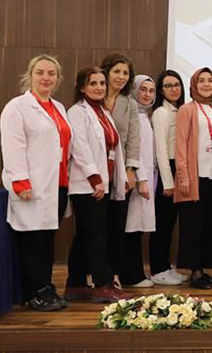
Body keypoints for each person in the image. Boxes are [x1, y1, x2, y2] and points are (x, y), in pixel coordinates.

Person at [0, 55, 71, 310]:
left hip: (57, 185)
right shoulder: (17, 107)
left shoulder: (59, 107)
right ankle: (33, 293)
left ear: (58, 78)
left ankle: (45, 287)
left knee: (47, 239)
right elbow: (13, 146)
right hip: (32, 186)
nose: (46, 78)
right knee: (32, 240)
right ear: (30, 75)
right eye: (40, 72)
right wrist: (20, 181)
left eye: (51, 73)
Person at [64, 68, 127, 303]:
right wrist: (95, 179)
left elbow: (113, 147)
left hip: (104, 183)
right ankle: (102, 285)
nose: (99, 87)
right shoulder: (77, 112)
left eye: (102, 83)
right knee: (96, 237)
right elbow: (80, 147)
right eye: (93, 84)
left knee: (86, 236)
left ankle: (76, 284)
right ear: (82, 87)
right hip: (87, 185)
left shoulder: (101, 111)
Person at [174, 68, 212, 290]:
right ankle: (195, 272)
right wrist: (183, 175)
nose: (206, 84)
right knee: (193, 226)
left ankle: (204, 268)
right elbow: (181, 146)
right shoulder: (187, 110)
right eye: (201, 81)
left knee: (209, 225)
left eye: (210, 80)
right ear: (194, 84)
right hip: (195, 178)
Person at [100, 54, 140, 287]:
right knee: (96, 228)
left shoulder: (130, 103)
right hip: (94, 172)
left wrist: (131, 170)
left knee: (117, 225)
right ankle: (94, 273)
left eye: (125, 73)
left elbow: (133, 139)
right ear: (106, 72)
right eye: (116, 71)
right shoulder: (93, 98)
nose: (121, 77)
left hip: (120, 173)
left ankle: (113, 274)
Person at [150, 69, 187, 286]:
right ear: (161, 90)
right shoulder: (161, 113)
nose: (173, 89)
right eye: (168, 86)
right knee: (162, 223)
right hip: (168, 172)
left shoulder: (177, 110)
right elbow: (161, 150)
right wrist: (168, 181)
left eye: (176, 85)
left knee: (170, 222)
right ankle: (157, 269)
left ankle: (165, 266)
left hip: (177, 169)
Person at [120, 75, 156, 288]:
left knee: (137, 228)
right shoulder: (132, 113)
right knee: (131, 228)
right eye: (143, 89)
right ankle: (130, 275)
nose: (147, 94)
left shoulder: (145, 116)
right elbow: (134, 149)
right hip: (136, 180)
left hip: (146, 179)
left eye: (151, 91)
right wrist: (142, 178)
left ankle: (136, 272)